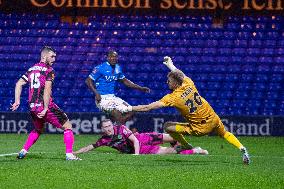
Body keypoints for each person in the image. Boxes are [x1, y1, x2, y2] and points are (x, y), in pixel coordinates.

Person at [118, 56, 250, 164]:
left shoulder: (173, 97)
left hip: (200, 128)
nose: (167, 83)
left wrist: (128, 108)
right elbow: (180, 74)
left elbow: (148, 107)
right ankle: (241, 148)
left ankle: (186, 145)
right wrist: (170, 64)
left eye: (168, 81)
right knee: (225, 133)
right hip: (213, 118)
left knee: (168, 126)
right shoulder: (188, 83)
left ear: (175, 83)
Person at [10, 46, 81, 161]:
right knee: (67, 126)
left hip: (32, 107)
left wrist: (17, 101)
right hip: (44, 106)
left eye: (55, 57)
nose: (54, 59)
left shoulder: (32, 69)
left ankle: (23, 151)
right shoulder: (49, 70)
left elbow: (18, 84)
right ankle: (69, 155)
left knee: (38, 129)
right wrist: (46, 108)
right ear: (44, 56)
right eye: (52, 56)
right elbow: (47, 90)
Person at [74, 119, 208, 155]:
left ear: (112, 125)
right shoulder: (104, 140)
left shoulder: (121, 128)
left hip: (143, 139)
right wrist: (75, 152)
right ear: (102, 129)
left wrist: (136, 156)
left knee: (172, 137)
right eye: (106, 127)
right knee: (169, 152)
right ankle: (196, 150)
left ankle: (184, 144)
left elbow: (134, 141)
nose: (108, 128)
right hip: (143, 150)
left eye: (109, 126)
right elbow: (90, 147)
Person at [85, 50, 150, 124]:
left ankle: (116, 127)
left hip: (113, 97)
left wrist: (140, 88)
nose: (114, 58)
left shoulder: (118, 68)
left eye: (115, 57)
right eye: (112, 56)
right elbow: (88, 81)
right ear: (108, 58)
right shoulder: (100, 68)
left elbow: (125, 81)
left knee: (131, 111)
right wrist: (96, 93)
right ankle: (117, 132)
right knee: (117, 114)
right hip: (102, 98)